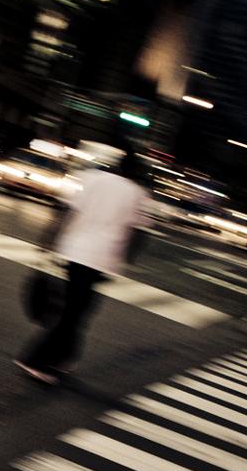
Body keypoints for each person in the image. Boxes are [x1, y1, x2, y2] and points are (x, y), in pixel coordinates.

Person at [14, 144, 148, 387]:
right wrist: (128, 259)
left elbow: (66, 212)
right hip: (99, 259)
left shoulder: (93, 179)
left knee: (79, 310)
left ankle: (65, 357)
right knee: (74, 313)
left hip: (73, 250)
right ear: (136, 172)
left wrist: (47, 242)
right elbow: (138, 233)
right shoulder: (137, 193)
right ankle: (36, 361)